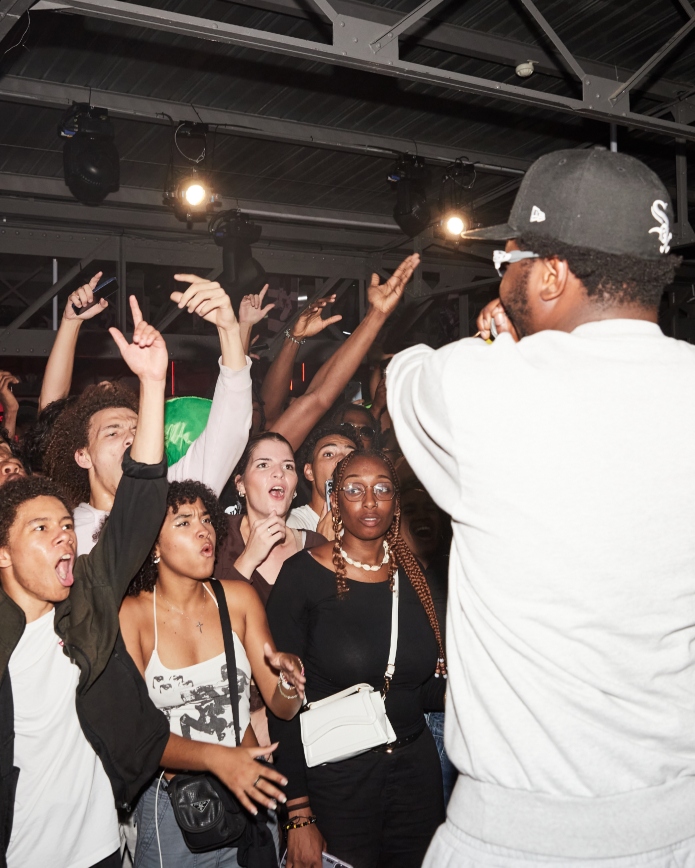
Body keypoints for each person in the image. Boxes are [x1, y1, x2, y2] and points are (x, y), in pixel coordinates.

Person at [386, 148, 695, 865]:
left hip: (519, 838)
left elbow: (402, 373)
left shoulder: (480, 387)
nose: (501, 275)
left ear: (551, 274)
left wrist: (496, 344)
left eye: (509, 259)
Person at [0, 296, 171, 868]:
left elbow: (139, 505)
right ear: (3, 553)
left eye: (66, 526)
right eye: (41, 528)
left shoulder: (85, 606)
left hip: (102, 852)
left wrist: (152, 384)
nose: (64, 538)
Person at [266, 449, 447, 868]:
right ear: (335, 500)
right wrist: (298, 813)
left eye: (382, 489)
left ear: (395, 503)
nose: (369, 501)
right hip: (337, 782)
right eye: (354, 489)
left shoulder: (415, 577)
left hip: (416, 779)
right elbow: (283, 707)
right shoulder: (302, 577)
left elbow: (417, 689)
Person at [118, 479, 306, 868]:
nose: (203, 529)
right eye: (184, 522)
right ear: (153, 545)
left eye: (206, 519)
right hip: (174, 809)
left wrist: (290, 681)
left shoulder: (238, 599)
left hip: (251, 795)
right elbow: (136, 737)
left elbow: (283, 708)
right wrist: (217, 759)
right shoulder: (132, 615)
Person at [44, 272, 252, 555]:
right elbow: (50, 415)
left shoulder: (176, 495)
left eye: (136, 429)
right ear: (83, 455)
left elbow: (230, 428)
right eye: (112, 432)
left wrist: (229, 331)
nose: (131, 438)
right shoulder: (65, 530)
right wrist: (70, 323)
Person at [261, 256, 419, 452]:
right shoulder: (268, 456)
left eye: (364, 431)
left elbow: (317, 399)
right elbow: (313, 400)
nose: (354, 436)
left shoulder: (377, 467)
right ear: (308, 466)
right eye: (346, 428)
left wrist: (377, 315)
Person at [216, 432, 326, 606]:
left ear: (295, 488)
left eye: (288, 466)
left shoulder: (316, 546)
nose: (279, 473)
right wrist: (248, 559)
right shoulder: (217, 535)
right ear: (241, 484)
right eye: (263, 465)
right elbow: (208, 615)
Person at [399, 481, 456, 806]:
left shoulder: (455, 568)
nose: (422, 516)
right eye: (411, 510)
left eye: (429, 509)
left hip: (464, 711)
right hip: (424, 717)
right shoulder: (388, 576)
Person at [286, 424, 357, 533]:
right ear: (309, 471)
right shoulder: (290, 525)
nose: (341, 460)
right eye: (328, 454)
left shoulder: (368, 524)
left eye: (350, 456)